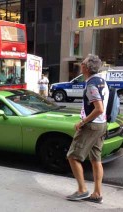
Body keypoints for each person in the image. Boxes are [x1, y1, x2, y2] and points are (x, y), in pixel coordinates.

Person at [66, 54, 109, 204]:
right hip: (102, 125)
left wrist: (82, 122)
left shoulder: (91, 85)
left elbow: (99, 108)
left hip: (92, 125)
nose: (81, 64)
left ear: (86, 67)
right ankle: (97, 194)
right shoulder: (102, 81)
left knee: (73, 156)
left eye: (82, 63)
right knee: (96, 159)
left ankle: (82, 190)